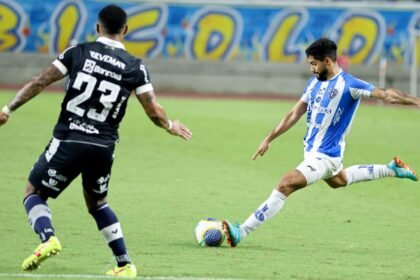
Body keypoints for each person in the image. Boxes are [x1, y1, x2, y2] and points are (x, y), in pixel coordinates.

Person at [0, 4, 192, 277]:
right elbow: (153, 110)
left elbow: (40, 81)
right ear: (125, 30)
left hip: (69, 139)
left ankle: (48, 238)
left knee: (34, 192)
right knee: (98, 203)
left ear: (98, 27)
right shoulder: (135, 66)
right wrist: (170, 125)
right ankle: (125, 264)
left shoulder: (79, 52)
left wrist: (8, 109)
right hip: (103, 146)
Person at [222, 38, 419, 247]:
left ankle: (241, 231)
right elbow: (293, 114)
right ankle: (392, 169)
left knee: (285, 184)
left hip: (326, 156)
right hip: (313, 153)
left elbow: (387, 95)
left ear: (327, 61)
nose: (311, 68)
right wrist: (269, 138)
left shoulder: (350, 85)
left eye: (314, 63)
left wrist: (416, 101)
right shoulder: (313, 84)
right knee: (339, 181)